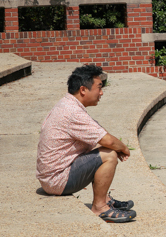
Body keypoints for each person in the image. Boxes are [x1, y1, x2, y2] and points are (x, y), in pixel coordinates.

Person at [36, 64, 136, 223]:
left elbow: (99, 134)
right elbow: (108, 140)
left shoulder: (67, 104)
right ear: (83, 90)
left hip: (52, 176)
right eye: (99, 87)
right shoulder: (72, 112)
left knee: (101, 147)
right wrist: (124, 148)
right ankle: (100, 208)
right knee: (109, 154)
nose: (101, 93)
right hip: (57, 180)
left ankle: (105, 198)